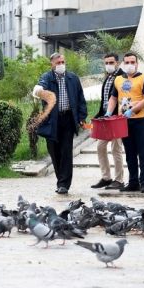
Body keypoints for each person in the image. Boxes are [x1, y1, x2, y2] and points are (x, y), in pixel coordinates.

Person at [33, 53, 87, 195]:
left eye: (63, 62)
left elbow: (80, 98)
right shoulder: (47, 78)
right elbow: (40, 88)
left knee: (66, 152)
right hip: (52, 121)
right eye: (58, 62)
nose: (61, 65)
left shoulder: (73, 78)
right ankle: (60, 179)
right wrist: (38, 90)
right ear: (52, 64)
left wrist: (82, 117)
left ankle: (64, 184)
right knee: (54, 152)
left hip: (68, 119)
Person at [105, 52, 144, 194]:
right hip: (124, 121)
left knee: (143, 152)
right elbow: (114, 98)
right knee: (129, 153)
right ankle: (133, 182)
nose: (129, 65)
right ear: (123, 64)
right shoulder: (119, 79)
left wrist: (133, 110)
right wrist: (109, 111)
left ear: (137, 64)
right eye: (127, 62)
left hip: (140, 120)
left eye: (132, 62)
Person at [91, 53, 125, 190]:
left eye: (111, 62)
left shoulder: (122, 76)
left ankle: (119, 180)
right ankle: (106, 177)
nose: (108, 65)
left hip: (116, 119)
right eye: (106, 63)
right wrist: (98, 116)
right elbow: (104, 100)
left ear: (117, 62)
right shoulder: (108, 77)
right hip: (105, 119)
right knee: (100, 147)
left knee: (116, 149)